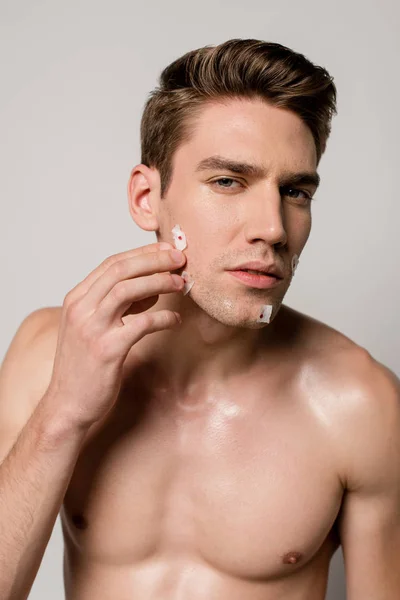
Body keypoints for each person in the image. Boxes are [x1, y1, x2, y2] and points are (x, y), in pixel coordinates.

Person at [0, 38, 399, 600]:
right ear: (147, 198)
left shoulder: (359, 403)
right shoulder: (47, 354)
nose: (274, 227)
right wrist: (63, 413)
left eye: (294, 191)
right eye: (228, 181)